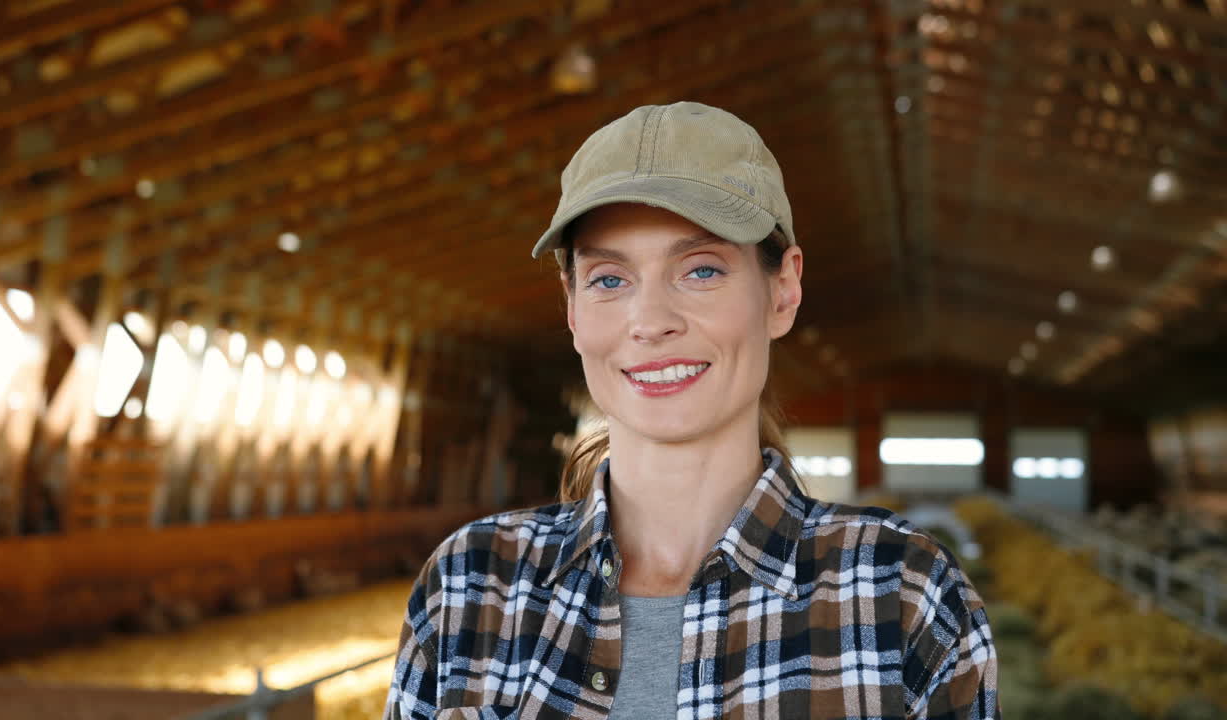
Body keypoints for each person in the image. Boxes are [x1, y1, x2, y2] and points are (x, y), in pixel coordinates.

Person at [384, 102, 999, 720]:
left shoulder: (903, 594)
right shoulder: (470, 588)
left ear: (783, 291)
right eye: (609, 279)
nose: (650, 323)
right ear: (572, 310)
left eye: (700, 270)